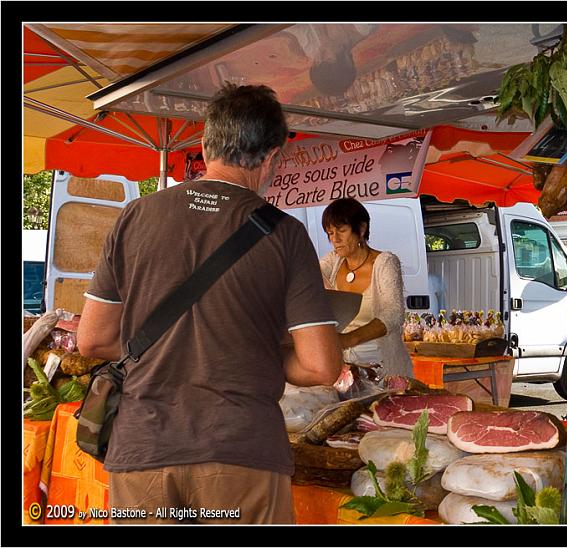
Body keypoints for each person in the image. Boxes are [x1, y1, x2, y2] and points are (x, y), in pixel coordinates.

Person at [76, 83, 342, 524]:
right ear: (273, 156)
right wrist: (246, 354)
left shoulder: (134, 216)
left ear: (204, 144)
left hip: (143, 449)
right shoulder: (287, 235)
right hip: (241, 452)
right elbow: (321, 367)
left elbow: (93, 339)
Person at [319, 198, 413, 378]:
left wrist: (348, 339)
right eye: (330, 233)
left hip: (383, 369)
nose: (335, 239)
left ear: (361, 229)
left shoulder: (385, 262)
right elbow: (306, 272)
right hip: (344, 371)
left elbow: (393, 314)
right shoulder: (334, 260)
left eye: (341, 231)